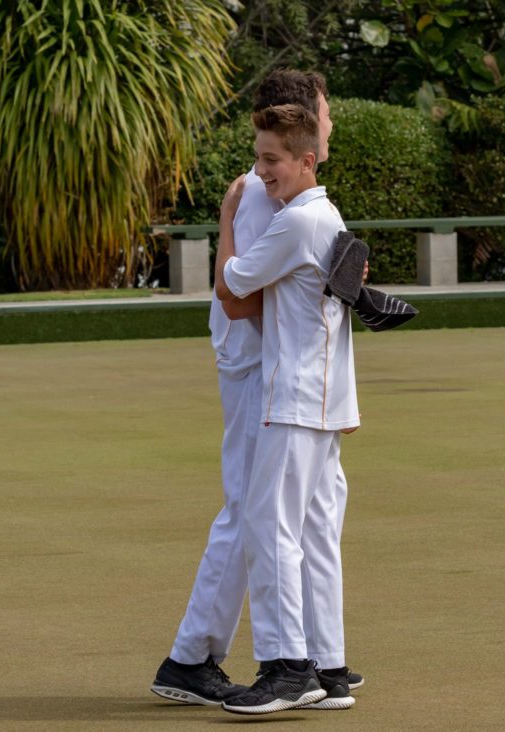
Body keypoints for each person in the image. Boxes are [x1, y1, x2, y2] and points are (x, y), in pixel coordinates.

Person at [151, 70, 361, 710]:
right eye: (325, 114)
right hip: (259, 373)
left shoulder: (300, 203)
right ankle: (203, 658)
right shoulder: (262, 194)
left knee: (303, 516)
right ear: (303, 125)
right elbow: (238, 299)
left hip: (295, 381)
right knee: (258, 514)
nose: (331, 125)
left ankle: (314, 662)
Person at [214, 103, 359, 715]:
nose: (261, 171)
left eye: (271, 159)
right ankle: (327, 667)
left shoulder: (297, 222)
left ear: (305, 160)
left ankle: (285, 669)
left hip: (291, 396)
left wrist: (227, 218)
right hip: (322, 398)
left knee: (269, 530)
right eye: (258, 157)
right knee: (312, 533)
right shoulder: (328, 216)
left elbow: (231, 289)